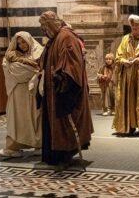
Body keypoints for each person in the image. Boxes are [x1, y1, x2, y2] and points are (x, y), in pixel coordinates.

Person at [38, 11, 93, 166]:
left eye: (44, 26)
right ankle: (56, 154)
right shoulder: (56, 38)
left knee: (64, 124)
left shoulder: (65, 37)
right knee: (54, 123)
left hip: (62, 90)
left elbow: (71, 65)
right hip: (52, 90)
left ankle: (64, 154)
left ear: (52, 24)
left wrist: (61, 78)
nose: (43, 30)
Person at [0, 31, 43, 158]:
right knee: (16, 119)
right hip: (17, 92)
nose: (22, 45)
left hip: (33, 91)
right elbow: (10, 68)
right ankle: (14, 147)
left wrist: (28, 68)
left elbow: (40, 69)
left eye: (23, 42)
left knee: (36, 117)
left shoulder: (39, 52)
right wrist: (28, 67)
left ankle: (39, 145)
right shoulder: (11, 54)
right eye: (19, 43)